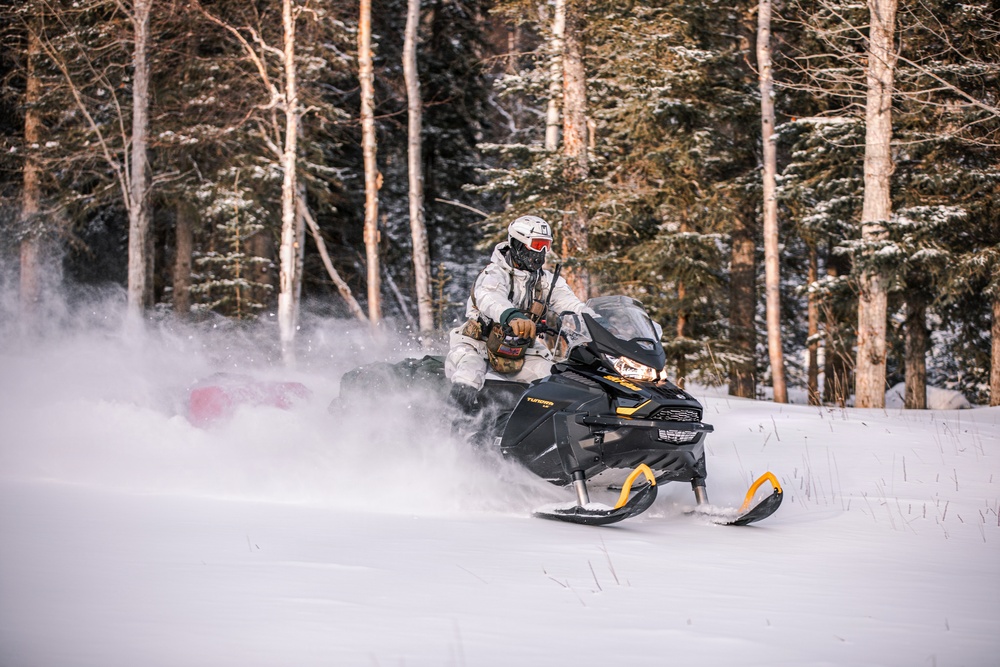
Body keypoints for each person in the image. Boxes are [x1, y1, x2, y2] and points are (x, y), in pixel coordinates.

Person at [445, 215, 591, 410]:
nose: (541, 253)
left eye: (546, 246)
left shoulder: (546, 281)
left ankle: (538, 432)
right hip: (477, 345)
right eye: (537, 245)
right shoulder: (494, 273)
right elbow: (490, 298)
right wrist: (512, 316)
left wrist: (598, 320)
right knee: (470, 372)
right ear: (517, 244)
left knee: (553, 377)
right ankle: (449, 425)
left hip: (520, 351)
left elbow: (571, 304)